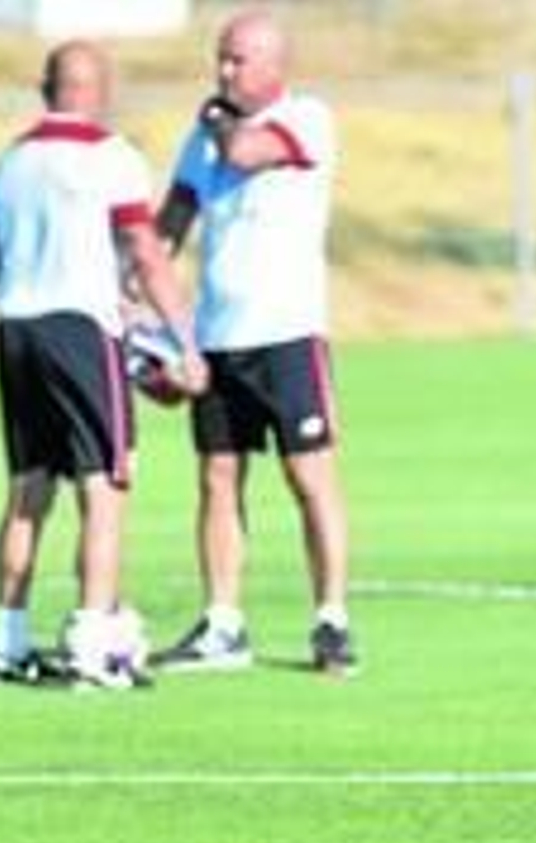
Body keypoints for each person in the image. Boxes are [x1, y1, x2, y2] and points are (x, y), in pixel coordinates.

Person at [0, 40, 206, 689]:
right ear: (98, 88)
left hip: (16, 328)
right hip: (80, 328)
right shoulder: (111, 157)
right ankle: (92, 637)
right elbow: (143, 247)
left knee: (28, 488)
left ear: (45, 88)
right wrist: (182, 342)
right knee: (104, 486)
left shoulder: (4, 166)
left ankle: (8, 642)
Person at [151, 7, 355, 675]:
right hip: (217, 336)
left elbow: (243, 151)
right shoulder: (202, 134)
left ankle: (330, 618)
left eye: (238, 59)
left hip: (288, 331)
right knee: (218, 476)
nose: (224, 71)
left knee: (308, 474)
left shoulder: (306, 120)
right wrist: (139, 304)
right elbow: (172, 222)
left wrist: (215, 120)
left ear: (274, 65)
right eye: (221, 58)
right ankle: (223, 621)